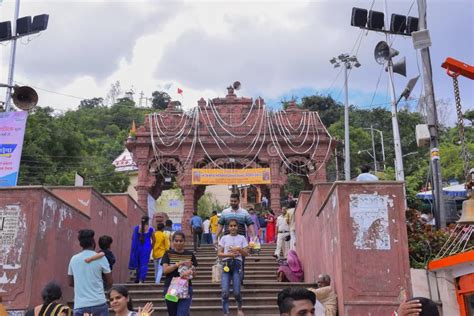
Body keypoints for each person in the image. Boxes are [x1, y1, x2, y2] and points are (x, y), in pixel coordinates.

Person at [67, 229, 112, 316]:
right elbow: (110, 281)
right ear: (93, 243)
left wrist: (82, 284)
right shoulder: (101, 258)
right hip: (99, 303)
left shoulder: (74, 259)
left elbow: (70, 282)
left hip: (80, 305)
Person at [215, 193, 256, 284]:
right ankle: (228, 280)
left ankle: (239, 280)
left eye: (235, 201)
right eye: (231, 201)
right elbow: (220, 225)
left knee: (241, 261)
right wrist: (216, 237)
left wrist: (253, 236)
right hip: (227, 241)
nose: (233, 203)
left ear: (238, 201)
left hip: (241, 242)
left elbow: (250, 224)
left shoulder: (244, 212)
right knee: (227, 260)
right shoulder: (225, 212)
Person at [162, 231, 198, 316]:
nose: (178, 243)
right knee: (173, 314)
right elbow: (165, 270)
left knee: (182, 314)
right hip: (170, 288)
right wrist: (178, 264)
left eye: (181, 241)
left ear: (184, 242)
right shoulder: (168, 253)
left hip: (186, 288)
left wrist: (191, 271)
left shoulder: (190, 255)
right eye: (176, 241)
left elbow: (195, 274)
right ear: (172, 241)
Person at [218, 219, 249, 316]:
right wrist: (229, 255)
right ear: (228, 227)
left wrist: (239, 249)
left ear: (238, 227)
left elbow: (246, 253)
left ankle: (239, 308)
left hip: (237, 266)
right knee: (224, 292)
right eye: (231, 226)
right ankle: (226, 312)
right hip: (226, 265)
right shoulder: (224, 238)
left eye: (235, 225)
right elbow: (219, 254)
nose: (233, 227)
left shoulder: (242, 238)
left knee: (237, 292)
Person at [129, 215, 154, 284]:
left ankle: (137, 278)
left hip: (137, 247)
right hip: (146, 247)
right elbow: (154, 240)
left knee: (138, 263)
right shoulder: (151, 229)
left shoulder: (136, 228)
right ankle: (141, 280)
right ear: (148, 221)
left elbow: (132, 238)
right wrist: (151, 247)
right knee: (144, 264)